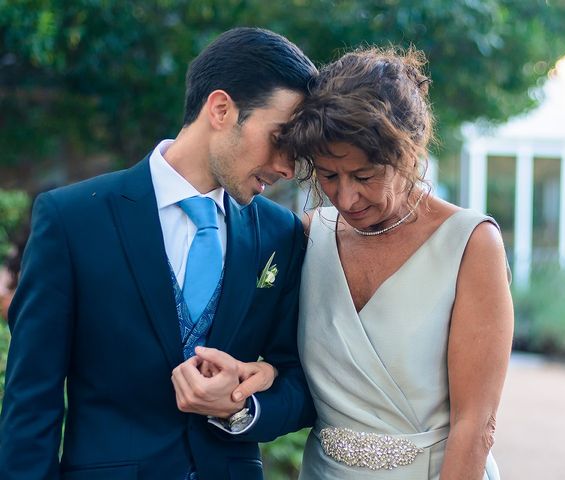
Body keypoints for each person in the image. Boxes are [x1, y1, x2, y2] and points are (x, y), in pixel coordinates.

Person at [0, 27, 317, 480]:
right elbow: (32, 399)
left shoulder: (279, 233)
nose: (287, 167)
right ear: (222, 109)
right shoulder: (72, 220)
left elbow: (300, 383)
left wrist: (240, 407)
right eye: (281, 138)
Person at [278, 47, 514, 479]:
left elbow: (475, 424)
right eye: (328, 176)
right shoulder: (309, 235)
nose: (346, 198)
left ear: (408, 154)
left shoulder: (470, 244)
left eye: (364, 177)